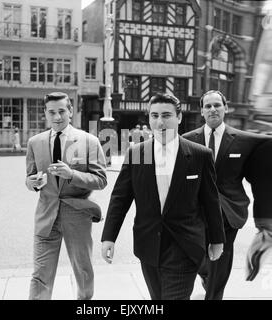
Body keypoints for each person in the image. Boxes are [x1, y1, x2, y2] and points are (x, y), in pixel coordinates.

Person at [101, 93, 225, 300]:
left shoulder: (199, 154)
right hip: (149, 244)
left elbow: (211, 201)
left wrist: (217, 240)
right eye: (154, 116)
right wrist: (108, 237)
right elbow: (120, 199)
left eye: (166, 115)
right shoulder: (137, 153)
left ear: (179, 117)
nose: (160, 122)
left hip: (185, 245)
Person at [183, 90, 267, 300]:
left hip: (228, 212)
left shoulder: (245, 140)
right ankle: (206, 274)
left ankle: (214, 296)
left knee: (221, 258)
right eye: (208, 106)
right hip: (196, 212)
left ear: (225, 108)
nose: (213, 109)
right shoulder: (186, 140)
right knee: (198, 255)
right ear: (201, 111)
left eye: (217, 105)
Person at [25, 92, 107, 300]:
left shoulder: (89, 141)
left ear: (71, 111)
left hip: (77, 216)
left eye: (62, 111)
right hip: (46, 216)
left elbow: (101, 180)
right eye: (52, 112)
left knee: (84, 272)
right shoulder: (35, 142)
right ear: (45, 113)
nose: (57, 117)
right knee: (40, 275)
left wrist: (72, 175)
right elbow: (29, 177)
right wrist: (32, 183)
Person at [244, 138, 272, 280]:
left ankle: (254, 260)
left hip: (261, 206)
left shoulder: (262, 147)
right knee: (268, 234)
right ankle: (254, 257)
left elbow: (248, 173)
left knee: (266, 232)